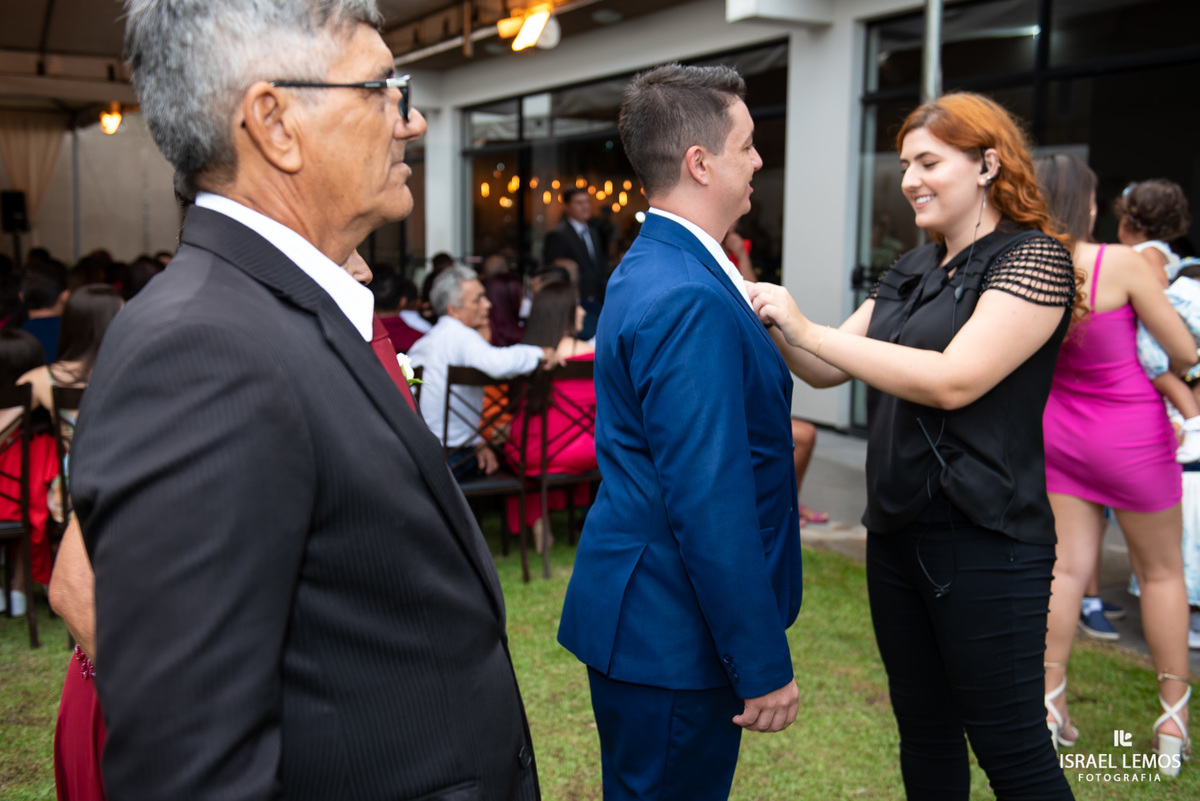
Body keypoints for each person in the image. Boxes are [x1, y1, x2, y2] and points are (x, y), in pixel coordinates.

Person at [69, 3, 540, 800]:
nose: (413, 120)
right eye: (384, 88)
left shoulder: (280, 310)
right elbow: (194, 766)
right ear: (275, 122)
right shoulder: (202, 352)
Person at [750, 92, 1080, 798]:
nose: (909, 180)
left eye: (928, 161)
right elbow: (828, 365)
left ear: (988, 163)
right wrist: (764, 313)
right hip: (898, 531)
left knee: (1012, 747)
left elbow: (954, 380)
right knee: (924, 731)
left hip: (988, 538)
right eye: (905, 164)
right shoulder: (913, 268)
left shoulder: (1035, 260)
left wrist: (809, 330)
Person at [558, 63, 802, 801]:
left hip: (653, 613)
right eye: (749, 145)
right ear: (700, 162)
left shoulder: (658, 263)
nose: (759, 160)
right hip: (670, 629)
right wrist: (761, 662)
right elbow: (707, 493)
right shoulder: (686, 292)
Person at [1036, 153, 1193, 776]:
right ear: (1092, 204)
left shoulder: (1029, 265)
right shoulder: (1117, 262)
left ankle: (1049, 709)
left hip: (1060, 435)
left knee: (1067, 569)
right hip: (1132, 435)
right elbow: (1183, 350)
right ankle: (1172, 725)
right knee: (1160, 574)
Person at [408, 265, 557, 481]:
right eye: (477, 299)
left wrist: (476, 441)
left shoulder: (424, 344)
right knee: (513, 455)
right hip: (451, 459)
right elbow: (497, 364)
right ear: (453, 309)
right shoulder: (460, 335)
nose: (487, 305)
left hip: (422, 456)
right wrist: (540, 353)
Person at [505, 281, 596, 553]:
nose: (582, 312)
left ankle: (538, 521)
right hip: (582, 450)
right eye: (576, 306)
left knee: (523, 441)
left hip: (531, 451)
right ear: (565, 313)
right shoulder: (591, 354)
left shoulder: (526, 354)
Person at [543, 186, 608, 339]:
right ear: (566, 206)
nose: (585, 207)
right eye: (579, 203)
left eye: (587, 202)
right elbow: (555, 274)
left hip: (598, 303)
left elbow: (598, 268)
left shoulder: (593, 232)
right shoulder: (558, 235)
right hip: (575, 304)